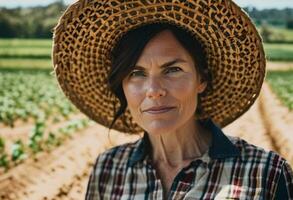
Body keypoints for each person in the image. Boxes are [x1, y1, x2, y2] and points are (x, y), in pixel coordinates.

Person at [52, 0, 293, 199]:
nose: (154, 90)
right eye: (136, 73)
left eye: (172, 70)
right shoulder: (108, 169)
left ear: (202, 79)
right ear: (122, 85)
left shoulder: (266, 175)